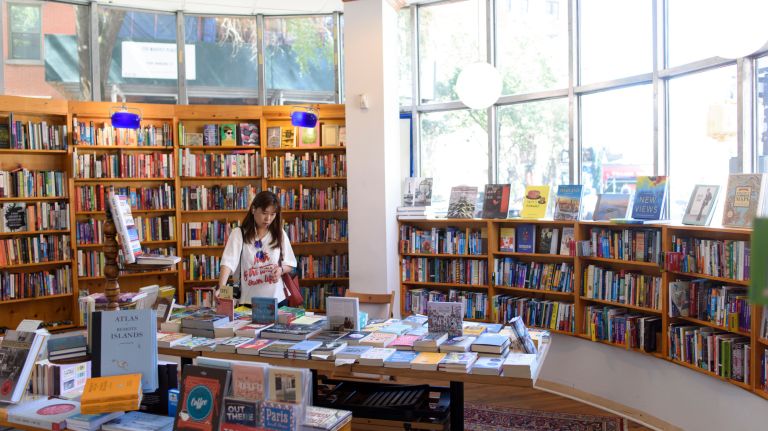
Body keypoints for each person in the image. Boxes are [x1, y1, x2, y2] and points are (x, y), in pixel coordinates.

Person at [216, 191, 297, 307]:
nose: (268, 218)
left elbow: (290, 263)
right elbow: (228, 263)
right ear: (253, 209)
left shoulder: (279, 233)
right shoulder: (239, 234)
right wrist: (221, 287)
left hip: (277, 300)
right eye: (264, 213)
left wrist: (281, 270)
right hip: (248, 302)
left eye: (273, 214)